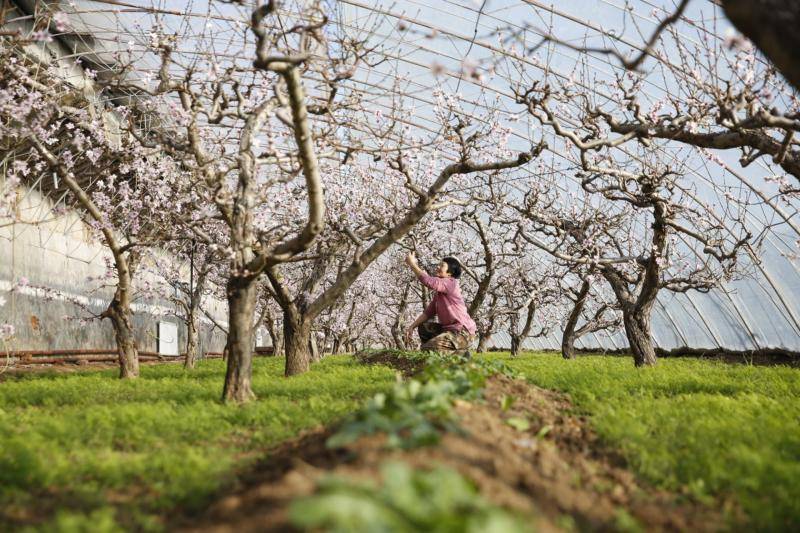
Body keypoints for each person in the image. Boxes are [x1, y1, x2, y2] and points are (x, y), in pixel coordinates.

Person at [404, 251, 476, 354]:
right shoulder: (439, 294)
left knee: (429, 349)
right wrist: (412, 326)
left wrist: (412, 264)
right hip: (449, 330)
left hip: (462, 332)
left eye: (442, 265)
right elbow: (428, 313)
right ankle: (455, 354)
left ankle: (459, 353)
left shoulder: (451, 283)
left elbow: (429, 282)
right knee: (424, 328)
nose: (437, 267)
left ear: (449, 273)